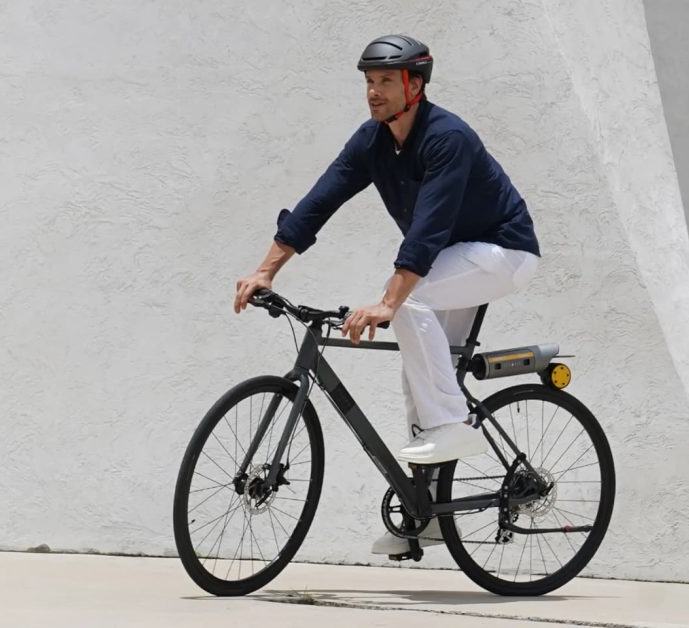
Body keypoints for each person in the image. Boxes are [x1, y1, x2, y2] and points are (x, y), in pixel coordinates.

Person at [232, 35, 541, 556]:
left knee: (409, 305)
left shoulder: (447, 138)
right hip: (451, 260)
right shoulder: (372, 141)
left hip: (502, 252)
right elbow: (318, 202)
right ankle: (430, 514)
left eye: (385, 82)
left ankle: (453, 425)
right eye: (369, 82)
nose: (373, 92)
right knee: (421, 373)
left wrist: (388, 301)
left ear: (414, 86)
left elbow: (427, 230)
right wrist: (266, 271)